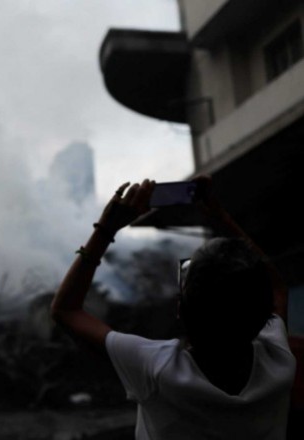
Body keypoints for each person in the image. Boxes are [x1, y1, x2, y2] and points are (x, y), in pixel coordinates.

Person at [50, 176, 295, 439]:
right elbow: (277, 288)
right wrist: (220, 216)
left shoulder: (157, 368)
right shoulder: (279, 361)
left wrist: (105, 229)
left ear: (180, 310)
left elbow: (65, 310)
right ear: (260, 315)